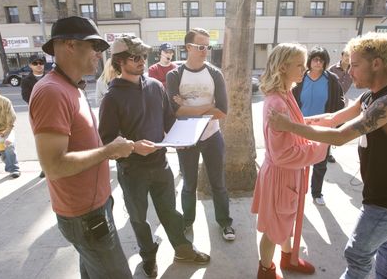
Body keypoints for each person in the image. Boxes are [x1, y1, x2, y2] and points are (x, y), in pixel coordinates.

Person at [269, 32, 387, 279]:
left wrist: (289, 126)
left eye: (354, 65)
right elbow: (334, 118)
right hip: (382, 191)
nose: (349, 71)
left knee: (357, 254)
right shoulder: (371, 94)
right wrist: (296, 120)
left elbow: (340, 136)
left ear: (376, 64)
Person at [29, 16, 135, 278]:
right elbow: (53, 166)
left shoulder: (72, 86)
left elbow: (83, 143)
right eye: (94, 47)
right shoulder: (51, 91)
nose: (100, 54)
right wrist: (108, 151)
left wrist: (115, 149)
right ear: (68, 45)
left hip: (96, 207)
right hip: (85, 216)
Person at [98, 35, 210, 278]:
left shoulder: (155, 86)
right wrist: (133, 146)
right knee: (139, 219)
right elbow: (106, 140)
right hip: (131, 170)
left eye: (143, 56)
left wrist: (181, 139)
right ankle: (148, 258)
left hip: (160, 165)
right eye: (134, 57)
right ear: (119, 61)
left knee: (170, 211)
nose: (141, 61)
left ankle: (183, 249)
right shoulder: (112, 97)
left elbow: (169, 121)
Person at [251, 43, 329, 279]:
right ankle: (266, 270)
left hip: (287, 174)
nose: (305, 69)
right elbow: (282, 154)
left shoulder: (285, 94)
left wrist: (316, 124)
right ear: (283, 67)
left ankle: (287, 256)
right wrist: (322, 144)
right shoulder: (276, 102)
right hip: (281, 174)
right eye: (299, 64)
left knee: (285, 220)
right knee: (275, 228)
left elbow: (295, 128)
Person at [166, 28, 235, 241]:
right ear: (188, 47)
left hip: (212, 136)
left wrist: (188, 108)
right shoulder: (174, 75)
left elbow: (222, 111)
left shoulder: (215, 74)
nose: (206, 51)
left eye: (208, 46)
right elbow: (175, 112)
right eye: (201, 46)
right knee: (189, 185)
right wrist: (207, 107)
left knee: (218, 184)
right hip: (186, 138)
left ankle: (225, 223)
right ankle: (187, 223)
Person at [292, 46, 344, 206]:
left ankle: (316, 192)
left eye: (321, 60)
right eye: (315, 59)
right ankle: (296, 192)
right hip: (300, 127)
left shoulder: (332, 79)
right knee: (299, 161)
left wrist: (335, 124)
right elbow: (291, 100)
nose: (318, 62)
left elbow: (340, 102)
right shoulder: (300, 78)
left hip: (323, 128)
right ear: (309, 61)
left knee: (320, 163)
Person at [21, 53, 47, 178]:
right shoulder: (26, 81)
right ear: (30, 65)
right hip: (37, 115)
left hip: (55, 112)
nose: (39, 65)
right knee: (41, 142)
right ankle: (44, 167)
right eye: (35, 63)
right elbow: (26, 97)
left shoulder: (52, 76)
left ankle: (58, 165)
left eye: (41, 63)